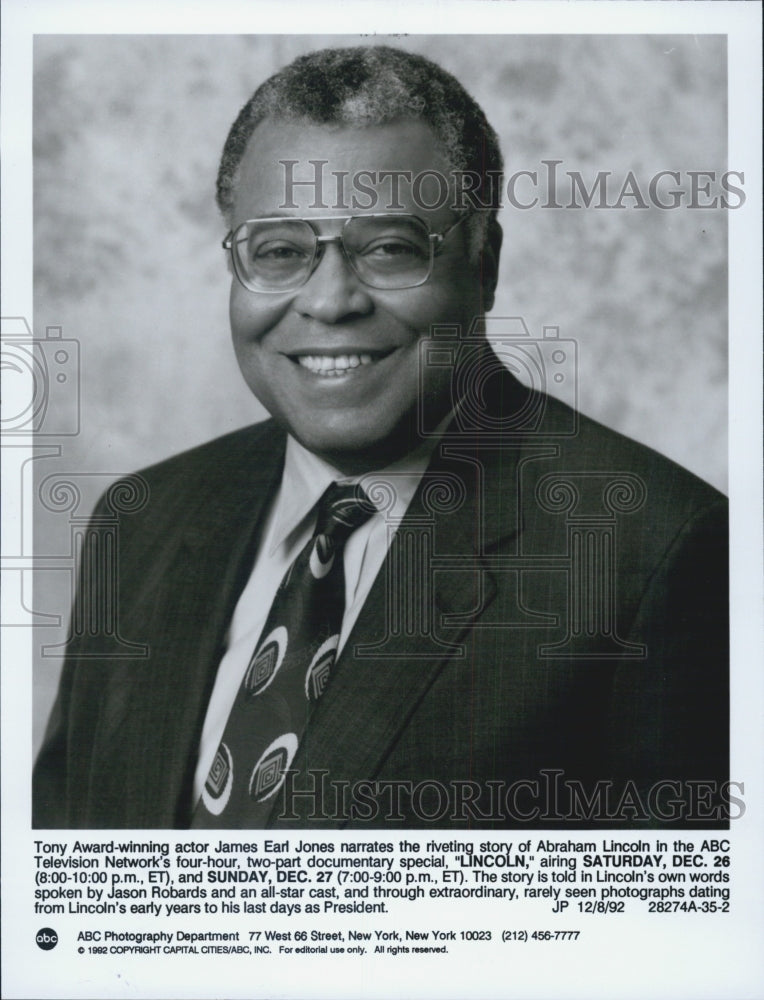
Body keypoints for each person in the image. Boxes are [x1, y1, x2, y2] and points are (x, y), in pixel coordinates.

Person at [33, 45, 728, 830]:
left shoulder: (657, 553)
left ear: (484, 264)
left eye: (390, 248)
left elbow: (676, 935)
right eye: (282, 251)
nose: (330, 302)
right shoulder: (142, 519)